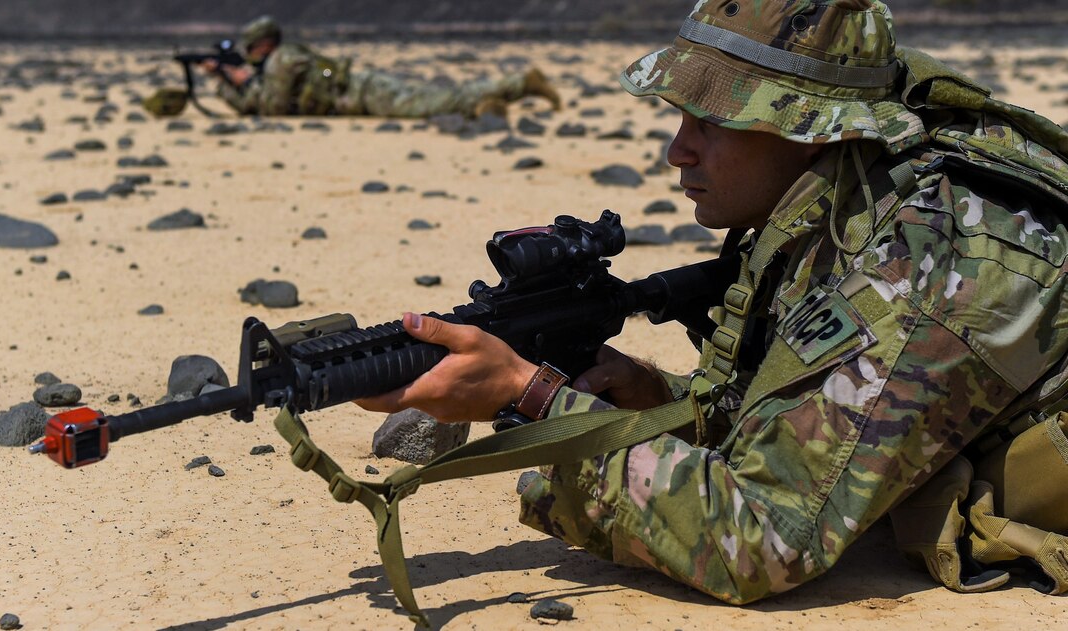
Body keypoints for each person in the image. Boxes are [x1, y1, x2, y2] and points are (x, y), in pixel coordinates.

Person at [357, 0, 1068, 603]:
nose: (678, 151)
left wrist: (532, 394)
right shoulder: (840, 198)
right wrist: (650, 396)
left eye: (713, 121)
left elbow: (764, 537)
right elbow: (784, 418)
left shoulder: (927, 256)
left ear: (808, 128)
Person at [204, 15, 561, 118]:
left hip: (364, 96)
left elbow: (273, 108)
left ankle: (520, 83)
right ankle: (486, 106)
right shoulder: (285, 57)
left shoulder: (280, 61)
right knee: (439, 99)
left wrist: (230, 83)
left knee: (437, 102)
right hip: (363, 88)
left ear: (264, 43)